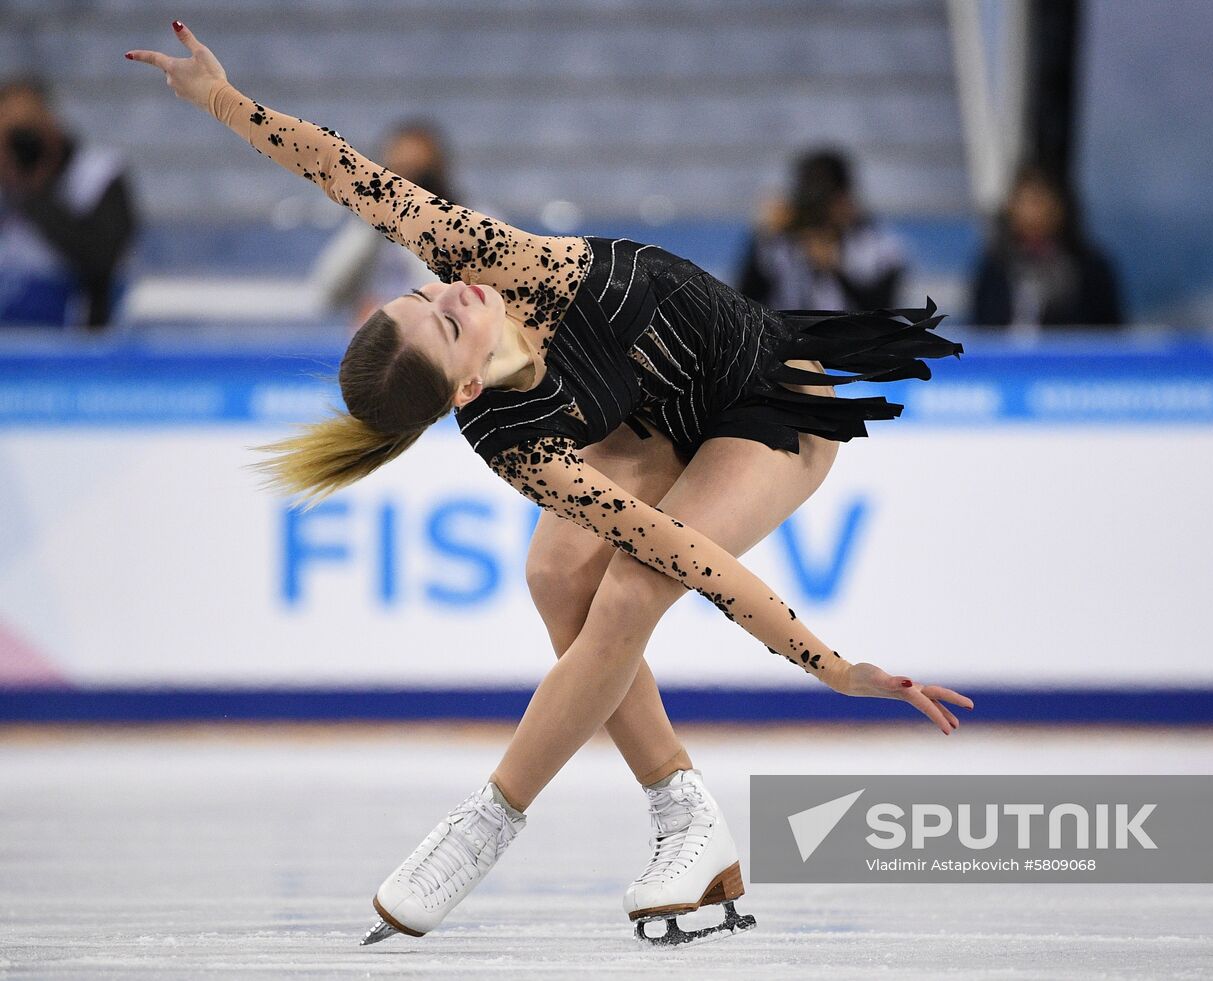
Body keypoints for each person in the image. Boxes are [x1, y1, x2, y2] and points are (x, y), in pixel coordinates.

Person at [129, 22, 973, 948]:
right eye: (446, 323)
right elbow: (670, 533)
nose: (454, 295)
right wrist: (830, 663)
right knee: (554, 577)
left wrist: (220, 100)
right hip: (657, 426)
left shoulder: (501, 261)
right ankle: (688, 816)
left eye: (429, 295)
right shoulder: (506, 436)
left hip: (772, 403)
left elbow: (341, 172)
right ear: (459, 389)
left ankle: (486, 823)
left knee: (632, 590)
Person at [0, 78, 137, 329]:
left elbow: (101, 261)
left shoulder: (98, 175)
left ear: (51, 121)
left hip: (74, 340)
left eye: (28, 130)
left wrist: (34, 190)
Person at [314, 119, 460, 325]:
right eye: (398, 168)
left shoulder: (469, 219)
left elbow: (455, 297)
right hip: (377, 345)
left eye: (416, 170)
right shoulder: (368, 224)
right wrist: (375, 221)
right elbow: (327, 292)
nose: (405, 181)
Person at [738, 148, 907, 311]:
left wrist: (836, 270)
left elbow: (885, 314)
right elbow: (744, 304)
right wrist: (764, 237)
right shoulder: (779, 244)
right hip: (789, 338)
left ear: (844, 199)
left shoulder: (880, 248)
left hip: (855, 339)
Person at [970, 165, 1123, 330]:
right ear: (1011, 208)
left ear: (1059, 207)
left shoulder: (1091, 267)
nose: (1034, 213)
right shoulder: (993, 266)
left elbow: (1111, 334)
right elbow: (981, 330)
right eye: (1026, 202)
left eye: (1040, 202)